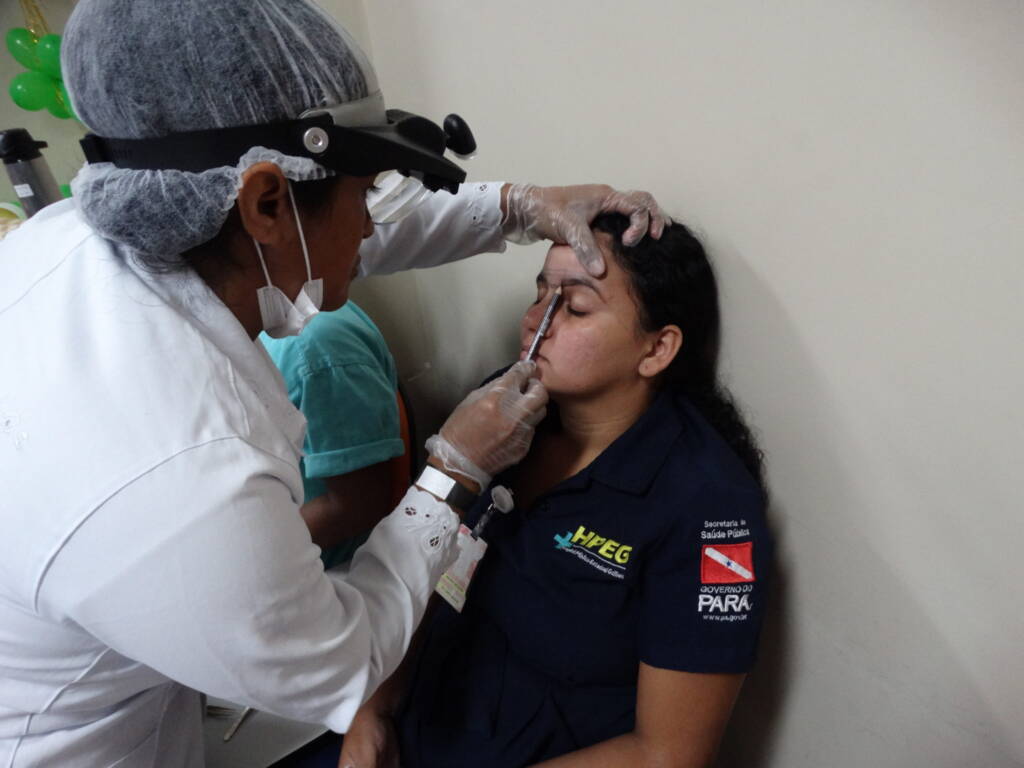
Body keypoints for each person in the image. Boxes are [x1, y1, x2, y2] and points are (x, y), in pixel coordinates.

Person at [0, 1, 672, 766]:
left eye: (574, 304)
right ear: (265, 203)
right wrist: (452, 473)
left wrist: (519, 206)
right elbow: (345, 659)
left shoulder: (78, 237)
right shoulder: (183, 479)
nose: (371, 224)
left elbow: (322, 235)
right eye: (366, 193)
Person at [342, 215, 772, 768]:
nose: (534, 323)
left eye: (575, 308)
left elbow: (667, 753)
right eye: (539, 294)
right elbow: (425, 566)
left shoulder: (707, 504)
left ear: (657, 349)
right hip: (417, 728)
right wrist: (372, 709)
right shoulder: (501, 410)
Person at [261, 302, 408, 570]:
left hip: (323, 569)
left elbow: (357, 505)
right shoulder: (259, 331)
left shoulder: (316, 348)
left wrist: (255, 556)